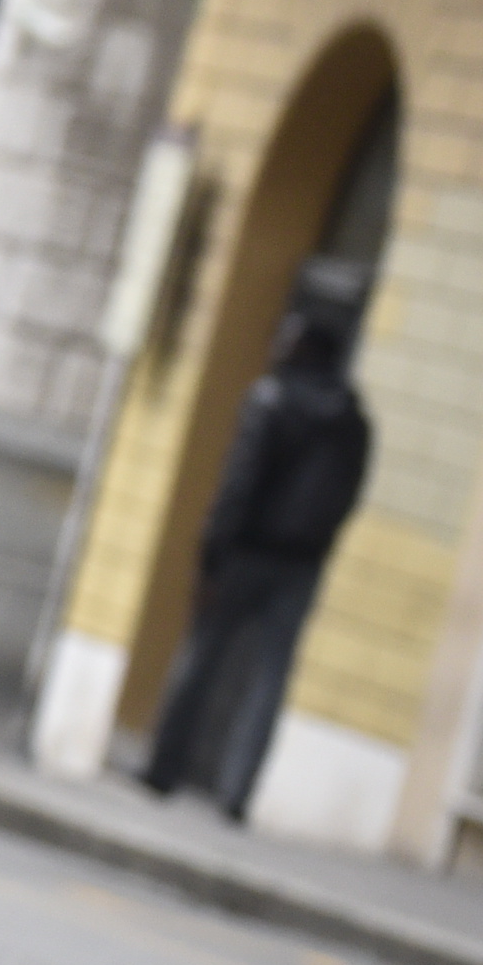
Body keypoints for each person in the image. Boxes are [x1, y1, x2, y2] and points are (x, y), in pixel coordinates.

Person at [139, 264, 375, 818]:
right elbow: (350, 494)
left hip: (246, 552)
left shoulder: (271, 400)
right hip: (303, 564)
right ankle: (237, 793)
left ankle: (164, 770)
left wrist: (212, 556)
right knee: (269, 678)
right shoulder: (354, 420)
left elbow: (238, 484)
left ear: (304, 345)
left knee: (202, 659)